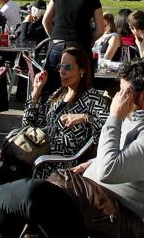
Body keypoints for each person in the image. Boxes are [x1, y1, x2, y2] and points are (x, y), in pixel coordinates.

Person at [0, 60, 144, 238]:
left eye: (124, 92)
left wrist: (114, 118)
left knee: (35, 194)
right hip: (91, 199)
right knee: (4, 214)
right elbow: (129, 157)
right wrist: (91, 163)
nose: (118, 97)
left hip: (115, 218)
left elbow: (108, 170)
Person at [18, 47, 108, 177]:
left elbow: (110, 125)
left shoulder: (91, 97)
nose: (62, 72)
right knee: (10, 157)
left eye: (68, 67)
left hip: (61, 164)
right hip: (41, 152)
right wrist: (36, 92)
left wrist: (85, 117)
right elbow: (29, 125)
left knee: (16, 168)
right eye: (60, 66)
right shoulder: (60, 93)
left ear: (82, 70)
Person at [42, 0, 104, 95]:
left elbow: (45, 21)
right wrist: (90, 40)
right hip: (78, 45)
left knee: (52, 89)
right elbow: (100, 29)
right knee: (79, 91)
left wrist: (53, 37)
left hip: (56, 44)